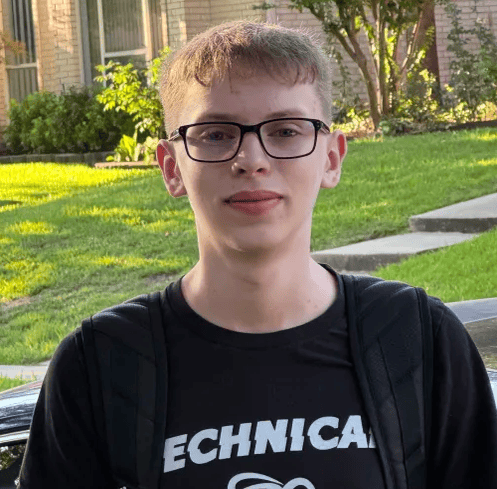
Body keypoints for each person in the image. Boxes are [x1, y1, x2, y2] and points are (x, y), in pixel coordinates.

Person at [17, 20, 497, 489]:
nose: (252, 160)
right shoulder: (100, 363)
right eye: (215, 134)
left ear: (331, 158)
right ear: (171, 167)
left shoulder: (417, 339)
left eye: (286, 130)